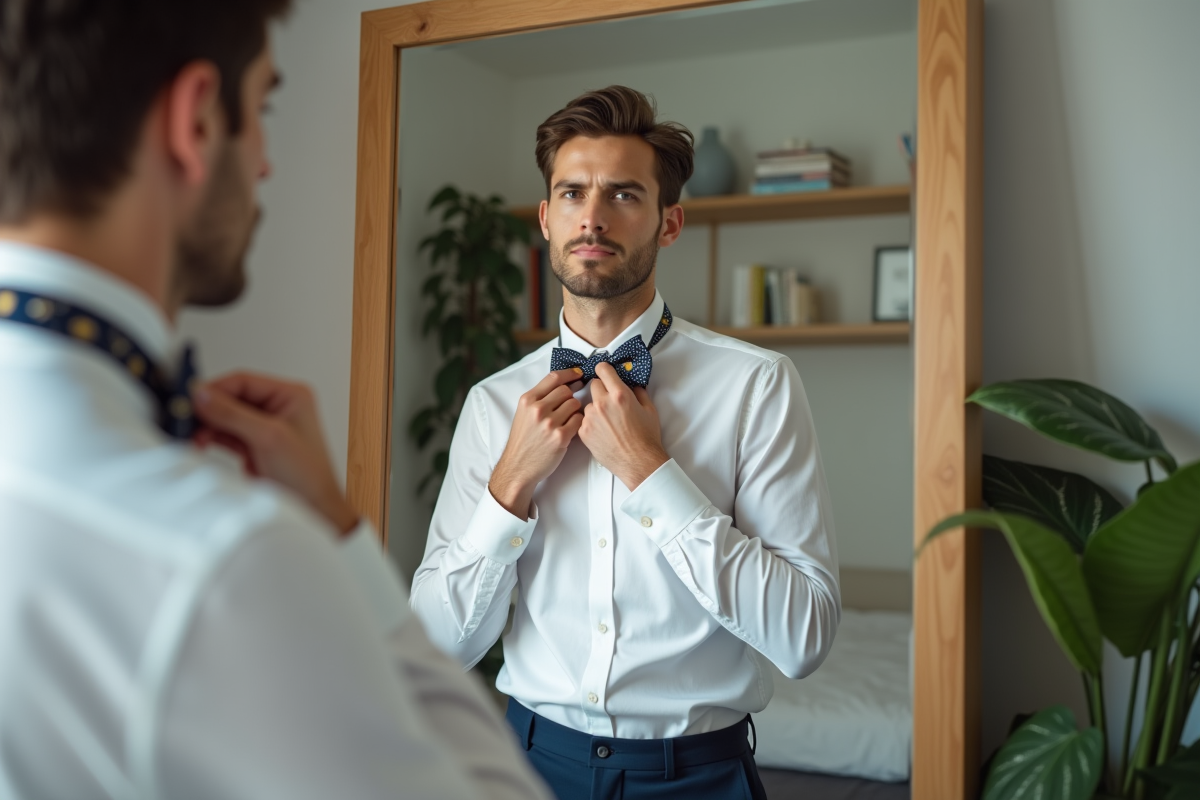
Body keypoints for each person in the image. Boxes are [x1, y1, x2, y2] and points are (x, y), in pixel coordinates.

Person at [0, 2, 551, 798]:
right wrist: (339, 529)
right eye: (261, 110)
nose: (263, 163)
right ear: (194, 120)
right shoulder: (226, 561)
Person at [410, 85, 842, 800]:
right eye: (573, 194)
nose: (594, 217)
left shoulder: (757, 385)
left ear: (669, 223)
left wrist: (652, 473)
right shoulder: (494, 405)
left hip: (700, 778)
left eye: (624, 196)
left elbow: (804, 639)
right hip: (527, 768)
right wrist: (508, 489)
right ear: (547, 220)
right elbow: (432, 647)